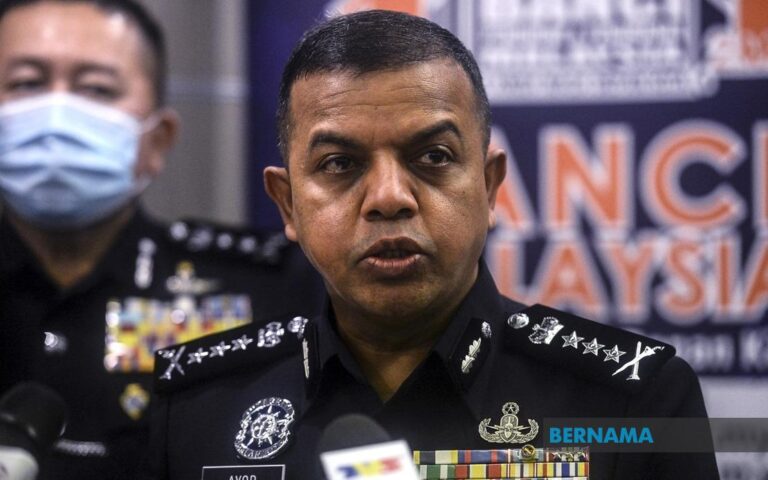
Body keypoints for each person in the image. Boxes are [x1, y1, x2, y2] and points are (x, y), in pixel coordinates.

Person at [149, 9, 719, 480]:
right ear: (288, 204)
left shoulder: (637, 399)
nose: (389, 198)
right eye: (340, 163)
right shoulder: (197, 402)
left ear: (490, 186)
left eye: (433, 157)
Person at [0, 1, 323, 479]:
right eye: (27, 83)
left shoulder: (274, 291)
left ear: (158, 139)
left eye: (96, 88)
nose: (56, 115)